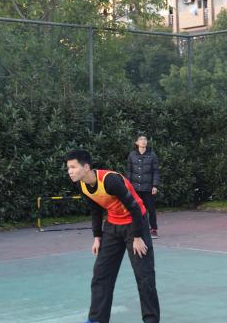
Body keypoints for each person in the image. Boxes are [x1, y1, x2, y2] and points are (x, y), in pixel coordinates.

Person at [65, 150, 160, 323]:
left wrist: (138, 237)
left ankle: (151, 320)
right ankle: (96, 319)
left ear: (86, 167)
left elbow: (135, 207)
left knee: (144, 277)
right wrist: (97, 237)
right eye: (68, 168)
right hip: (112, 226)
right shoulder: (82, 184)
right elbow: (95, 210)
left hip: (135, 224)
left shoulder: (110, 180)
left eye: (73, 167)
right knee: (101, 275)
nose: (69, 171)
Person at [126, 134, 160, 239]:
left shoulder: (152, 155)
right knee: (136, 209)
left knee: (151, 209)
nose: (143, 141)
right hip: (135, 188)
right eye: (141, 139)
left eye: (145, 139)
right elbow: (129, 171)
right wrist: (128, 186)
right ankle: (137, 230)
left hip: (148, 188)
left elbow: (156, 171)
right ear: (136, 142)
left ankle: (153, 229)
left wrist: (155, 185)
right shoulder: (132, 155)